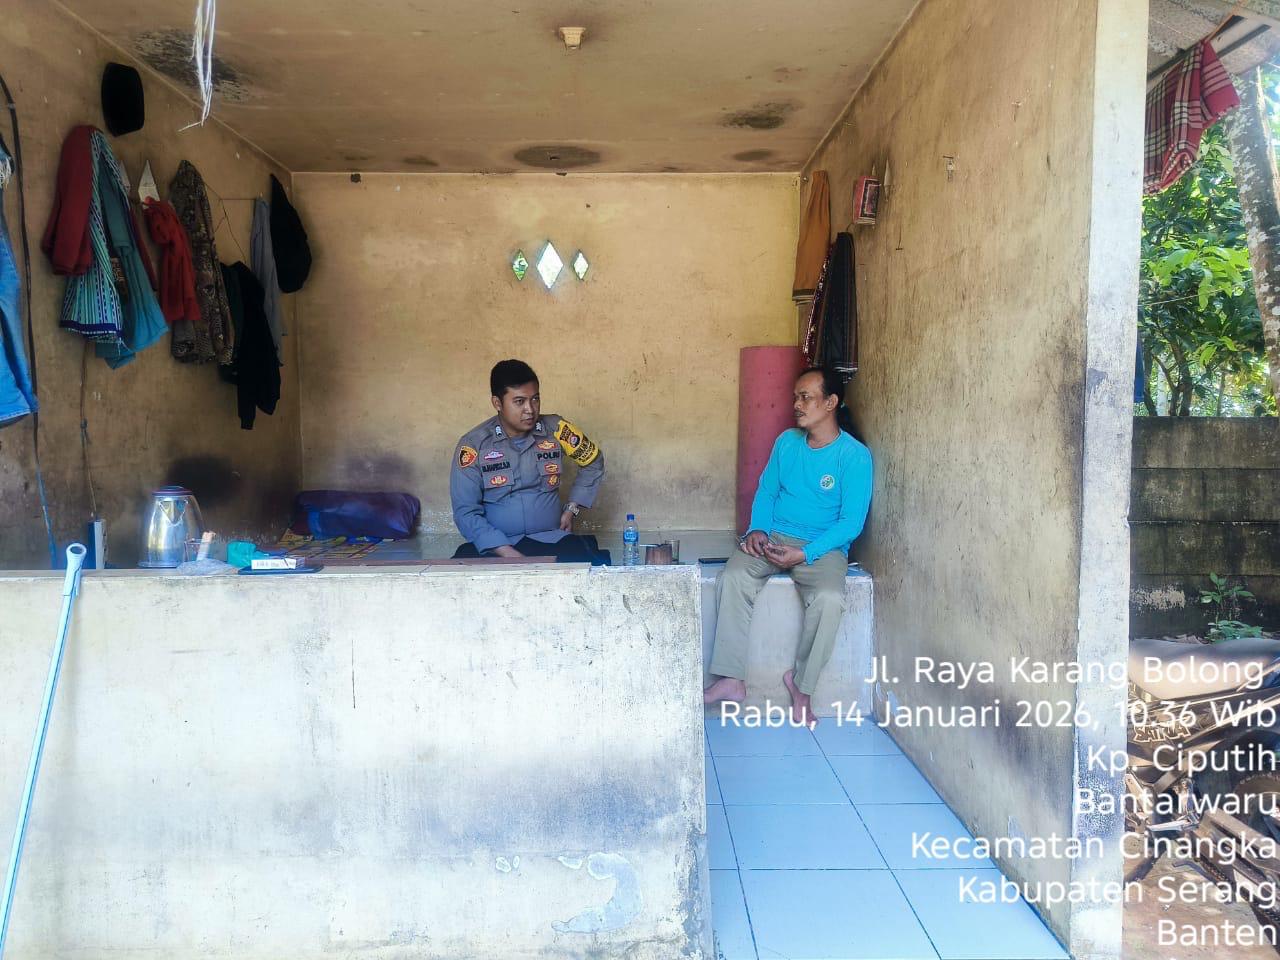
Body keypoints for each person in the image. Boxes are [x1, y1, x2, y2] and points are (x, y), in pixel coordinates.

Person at [704, 366, 873, 726]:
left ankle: (802, 687)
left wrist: (806, 553)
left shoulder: (854, 456)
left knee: (829, 600)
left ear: (831, 402)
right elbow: (767, 492)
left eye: (805, 397)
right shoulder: (787, 443)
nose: (796, 404)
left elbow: (851, 523)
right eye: (796, 397)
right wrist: (758, 530)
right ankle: (731, 678)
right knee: (733, 576)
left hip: (823, 548)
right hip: (776, 537)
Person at [450, 359, 610, 564]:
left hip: (553, 539)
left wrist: (572, 509)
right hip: (497, 546)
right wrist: (508, 554)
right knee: (459, 571)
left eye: (535, 399)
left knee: (591, 566)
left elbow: (593, 461)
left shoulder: (556, 429)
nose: (530, 409)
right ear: (497, 403)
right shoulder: (474, 444)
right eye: (519, 401)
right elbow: (465, 512)